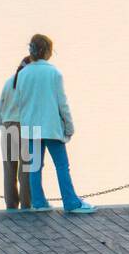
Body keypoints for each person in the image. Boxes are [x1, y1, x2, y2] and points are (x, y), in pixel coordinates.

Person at [14, 34, 94, 214]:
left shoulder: (23, 74)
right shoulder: (54, 73)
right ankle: (71, 202)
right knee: (62, 166)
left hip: (31, 128)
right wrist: (69, 126)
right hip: (51, 127)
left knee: (35, 167)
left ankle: (39, 202)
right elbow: (62, 103)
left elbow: (20, 102)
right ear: (48, 51)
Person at [0, 56, 33, 210]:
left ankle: (11, 206)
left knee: (9, 170)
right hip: (26, 126)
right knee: (26, 170)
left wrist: (3, 126)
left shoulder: (9, 81)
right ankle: (26, 205)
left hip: (8, 125)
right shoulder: (32, 84)